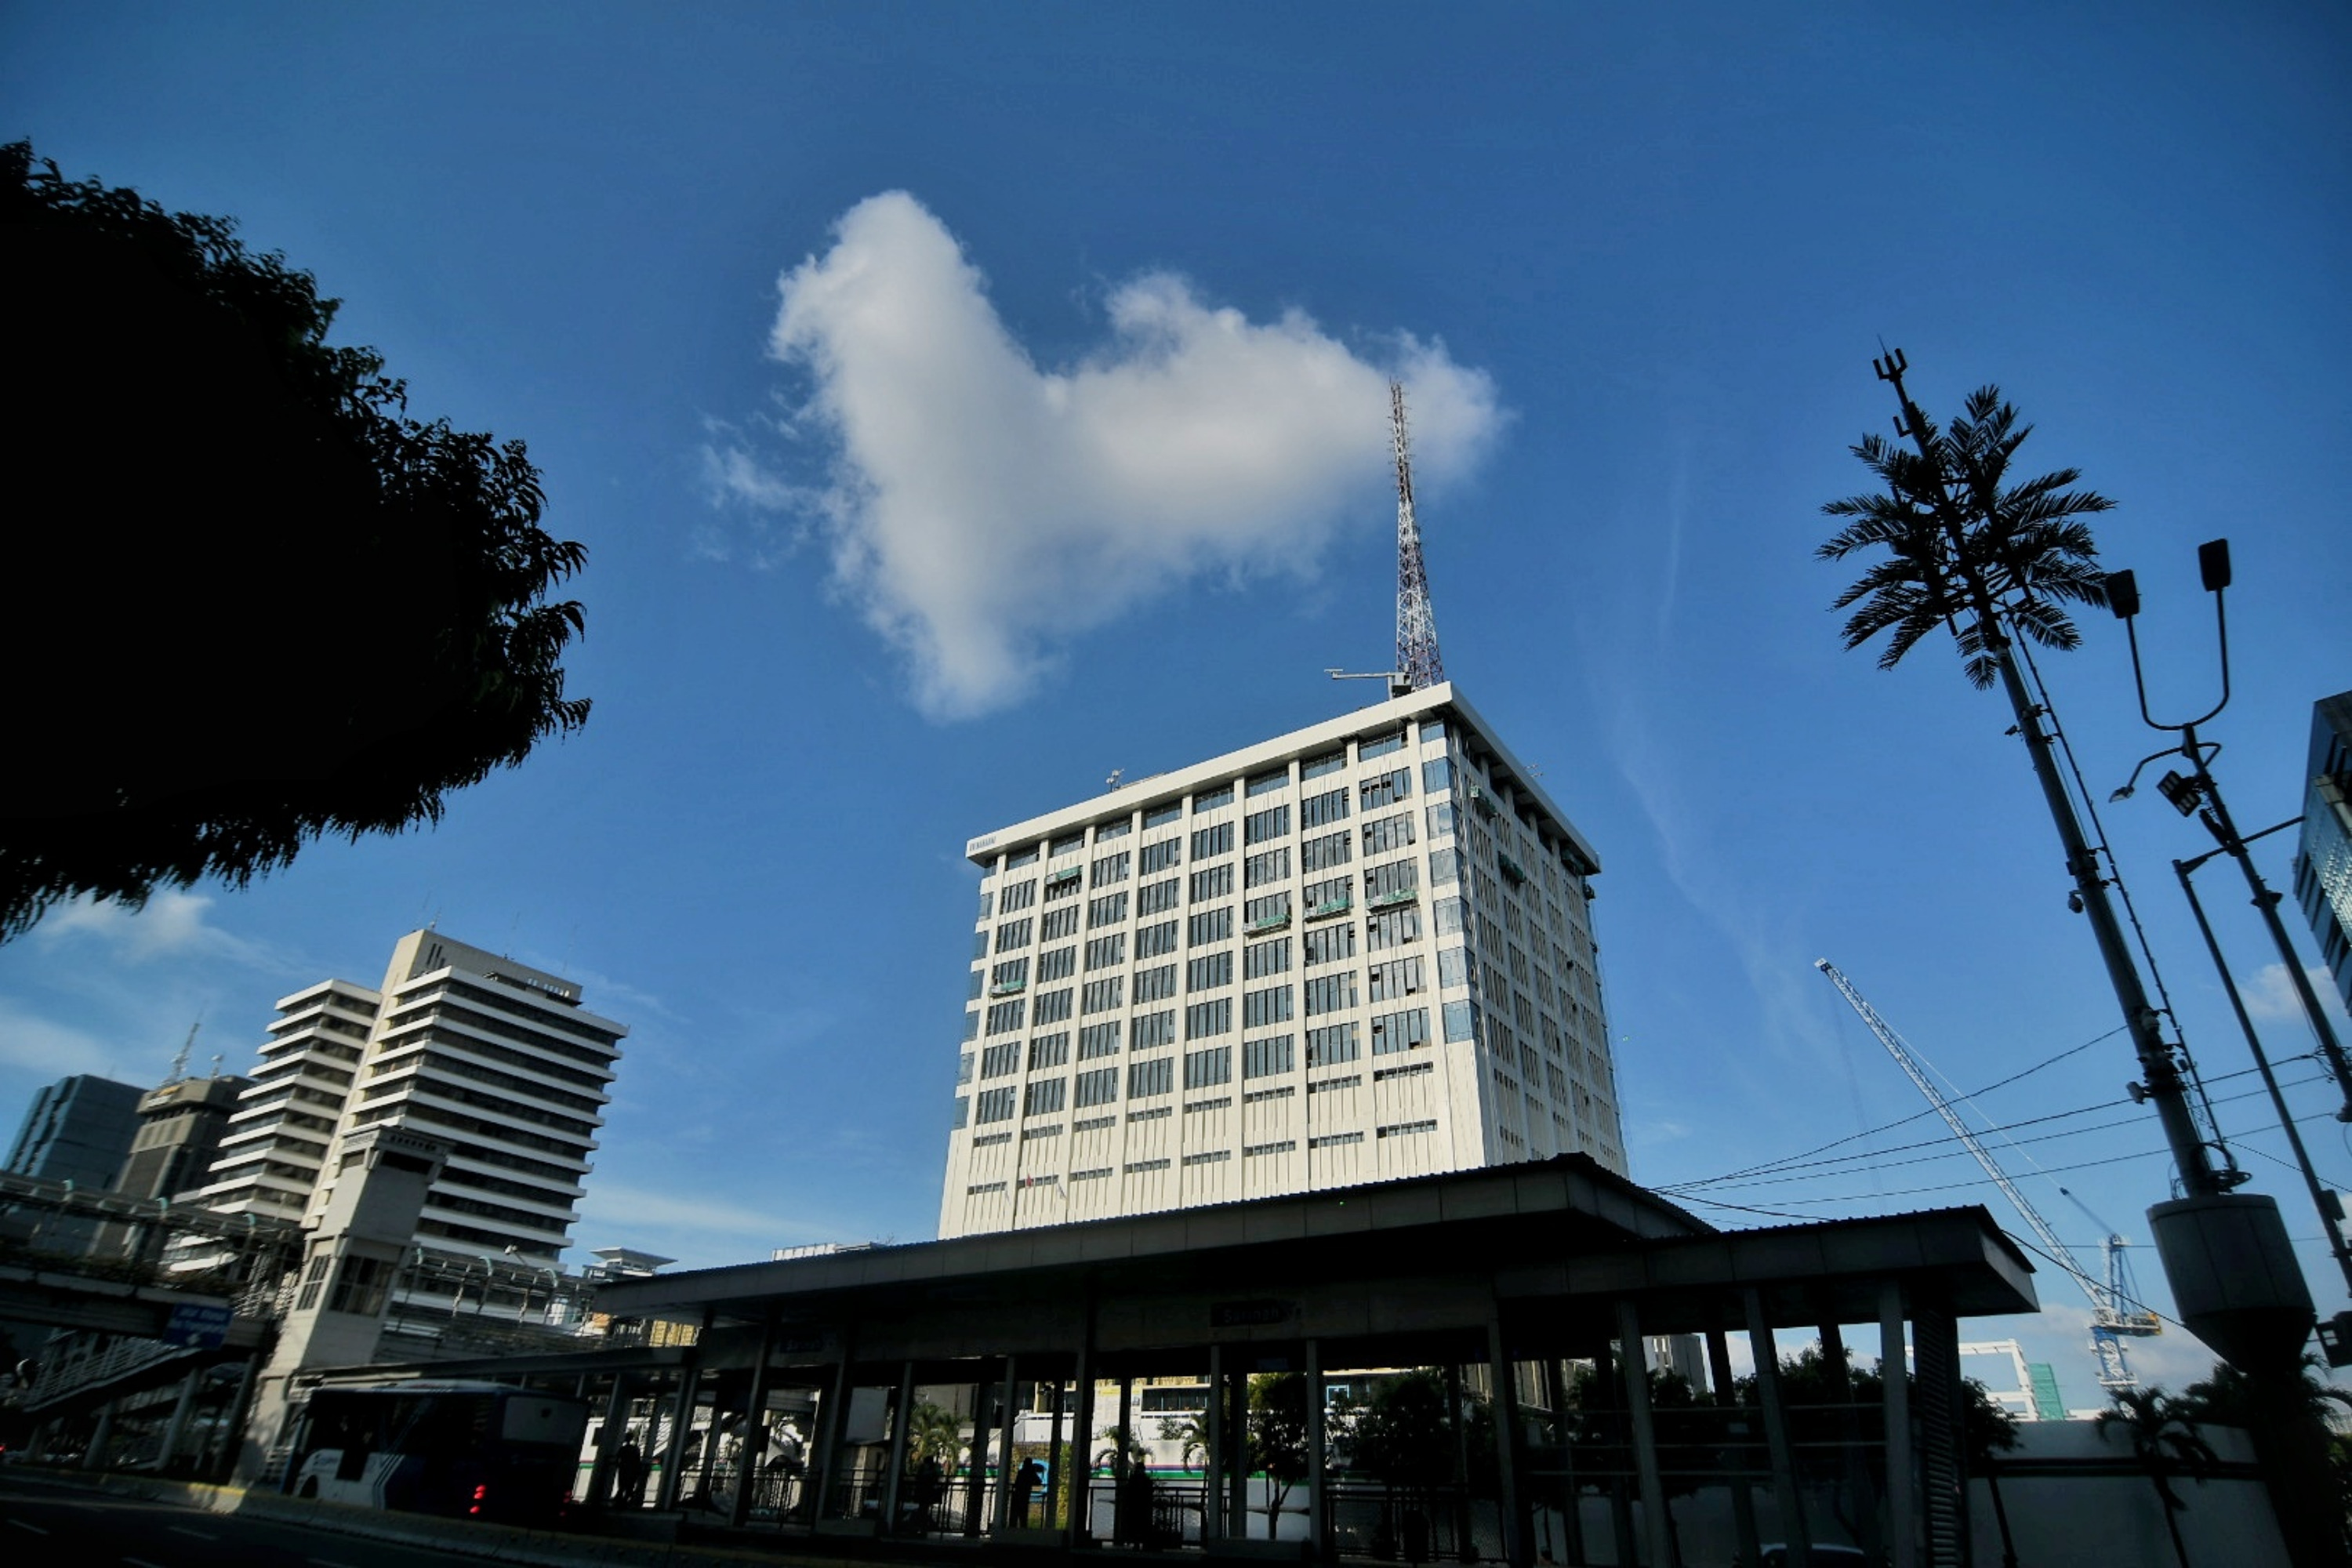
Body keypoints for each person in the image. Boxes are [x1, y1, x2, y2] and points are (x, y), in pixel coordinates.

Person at [1010, 1455, 1044, 1527]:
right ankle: (1023, 1529)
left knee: (1014, 1514)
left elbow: (1016, 1484)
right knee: (1023, 1514)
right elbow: (1039, 1482)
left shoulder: (1021, 1472)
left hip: (1017, 1494)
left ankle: (1012, 1529)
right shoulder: (1031, 1473)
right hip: (1025, 1495)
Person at [612, 1439, 646, 1508]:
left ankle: (619, 1501)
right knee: (629, 1487)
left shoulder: (623, 1449)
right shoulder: (635, 1449)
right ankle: (625, 1500)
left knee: (622, 1486)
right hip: (632, 1470)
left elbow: (618, 1458)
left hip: (624, 1469)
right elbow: (638, 1460)